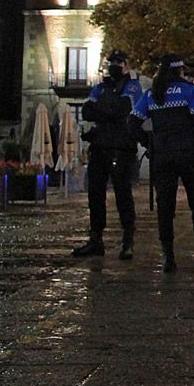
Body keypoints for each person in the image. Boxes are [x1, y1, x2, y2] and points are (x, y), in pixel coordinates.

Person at [135, 54, 194, 272]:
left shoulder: (152, 95)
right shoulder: (189, 91)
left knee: (165, 207)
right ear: (180, 71)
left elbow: (132, 122)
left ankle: (168, 258)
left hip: (162, 156)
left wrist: (149, 143)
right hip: (189, 155)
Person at [73, 50, 146, 260]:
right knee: (95, 194)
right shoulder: (101, 86)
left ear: (126, 66)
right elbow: (87, 110)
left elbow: (124, 110)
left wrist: (103, 111)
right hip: (100, 147)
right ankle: (96, 239)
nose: (114, 65)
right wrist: (108, 112)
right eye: (111, 62)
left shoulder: (133, 86)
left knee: (123, 195)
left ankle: (127, 241)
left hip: (121, 149)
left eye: (119, 62)